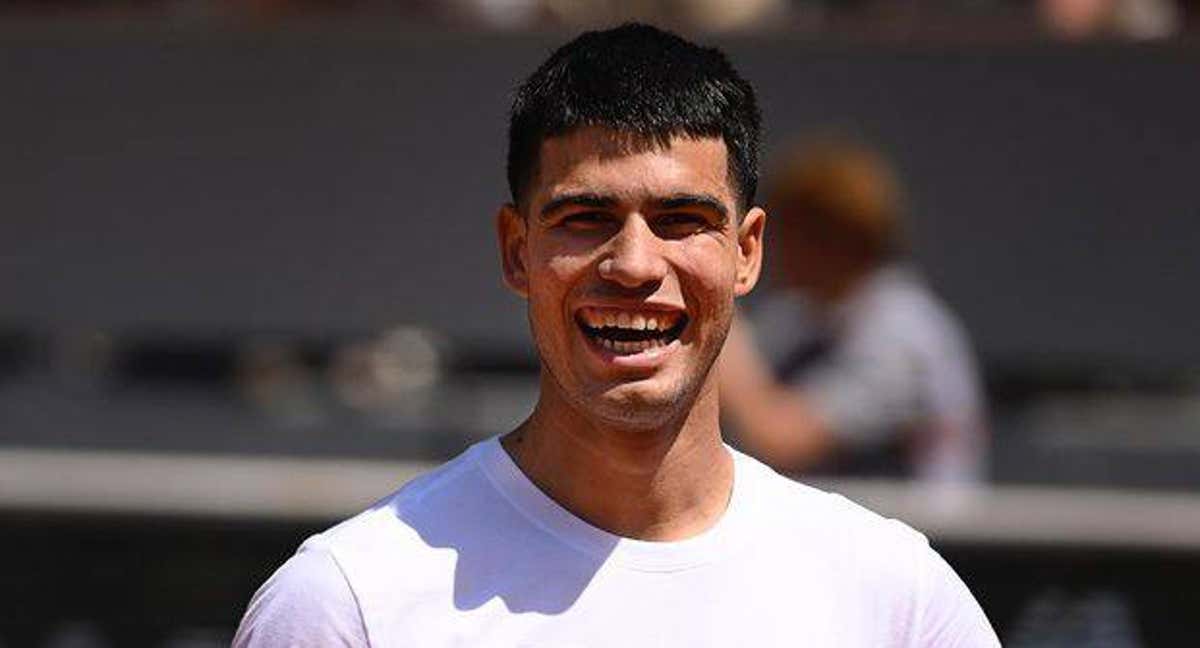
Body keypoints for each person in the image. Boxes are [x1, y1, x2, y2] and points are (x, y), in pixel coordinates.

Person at [233, 24, 999, 646]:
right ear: (515, 251)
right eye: (586, 218)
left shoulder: (896, 599)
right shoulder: (349, 602)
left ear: (747, 252)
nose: (634, 264)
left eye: (682, 221)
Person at [719, 138, 988, 483]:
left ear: (833, 238)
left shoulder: (902, 331)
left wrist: (720, 317)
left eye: (788, 232)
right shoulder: (800, 315)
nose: (768, 247)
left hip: (918, 531)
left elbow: (780, 438)